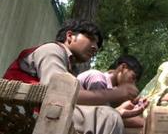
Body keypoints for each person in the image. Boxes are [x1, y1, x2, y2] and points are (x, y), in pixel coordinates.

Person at [3, 19, 141, 134]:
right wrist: (116, 94)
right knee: (109, 118)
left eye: (97, 46)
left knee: (112, 117)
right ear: (69, 36)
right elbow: (60, 95)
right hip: (21, 113)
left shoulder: (68, 68)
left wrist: (118, 110)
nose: (95, 48)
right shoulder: (52, 50)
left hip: (46, 114)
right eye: (91, 39)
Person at [77, 55, 148, 128]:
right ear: (123, 67)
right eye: (133, 77)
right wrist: (147, 123)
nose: (133, 84)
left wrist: (133, 104)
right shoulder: (98, 78)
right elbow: (102, 118)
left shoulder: (110, 89)